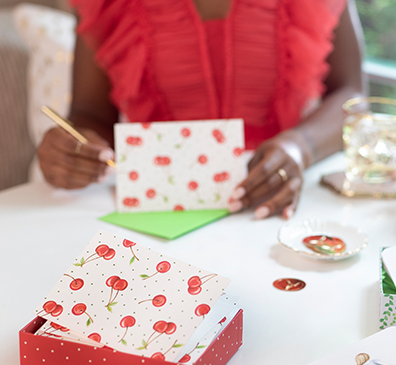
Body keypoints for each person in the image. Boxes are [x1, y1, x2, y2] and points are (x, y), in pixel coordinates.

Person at [37, 0, 365, 219]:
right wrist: (73, 149)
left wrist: (300, 147)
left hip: (273, 201)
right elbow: (90, 115)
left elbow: (352, 93)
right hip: (157, 210)